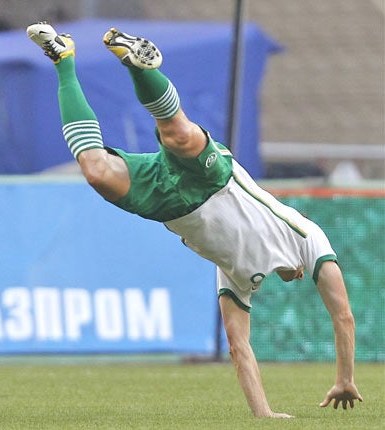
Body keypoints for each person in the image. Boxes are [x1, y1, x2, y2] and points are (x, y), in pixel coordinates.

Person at [26, 22, 362, 418]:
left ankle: (63, 57)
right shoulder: (305, 235)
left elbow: (239, 349)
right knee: (178, 134)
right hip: (215, 179)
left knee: (96, 171)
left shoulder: (235, 273)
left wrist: (264, 415)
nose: (294, 277)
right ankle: (140, 64)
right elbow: (342, 314)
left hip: (168, 203)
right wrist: (346, 376)